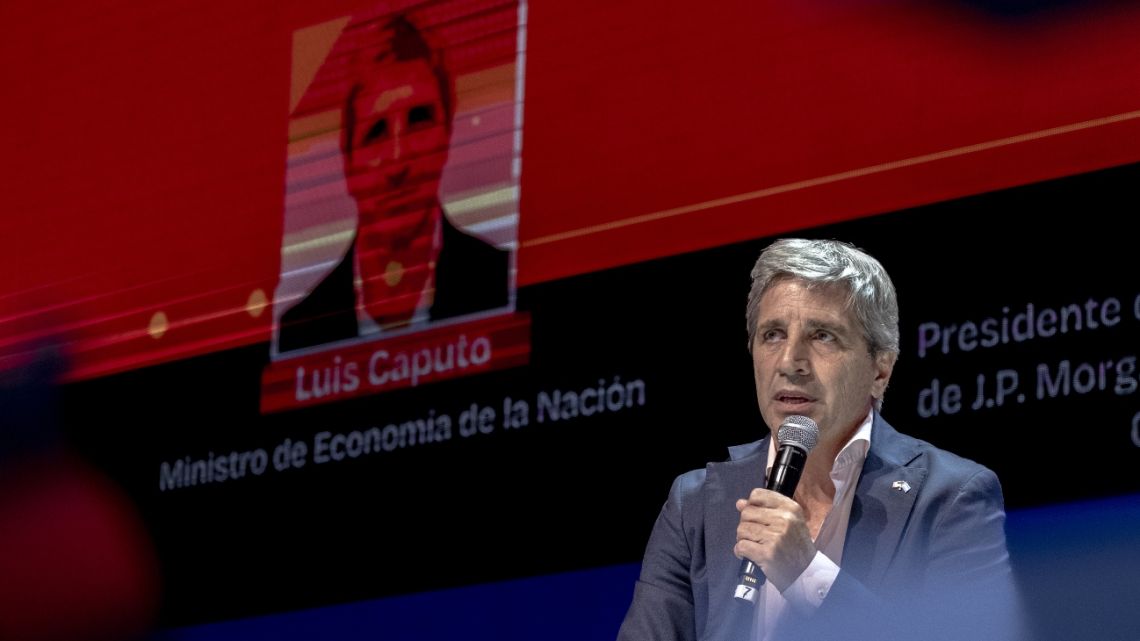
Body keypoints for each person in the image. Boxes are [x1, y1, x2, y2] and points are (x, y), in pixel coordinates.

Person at [616, 238, 1021, 641]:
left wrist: (807, 574)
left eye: (822, 336)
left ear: (881, 369)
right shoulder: (697, 503)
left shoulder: (950, 497)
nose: (790, 362)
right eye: (772, 334)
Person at [277, 14, 509, 353]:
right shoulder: (299, 331)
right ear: (348, 159)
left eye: (418, 119)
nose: (398, 161)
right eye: (376, 132)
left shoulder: (499, 282)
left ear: (447, 133)